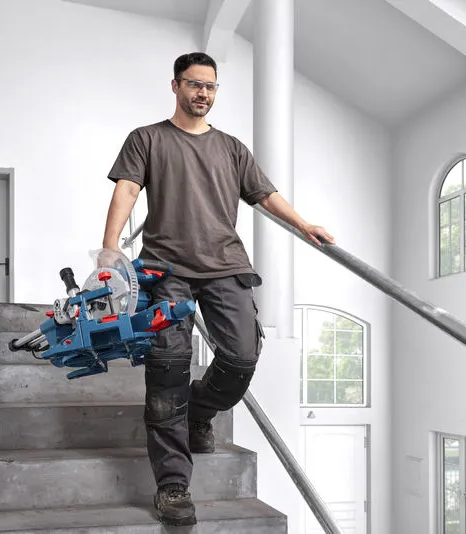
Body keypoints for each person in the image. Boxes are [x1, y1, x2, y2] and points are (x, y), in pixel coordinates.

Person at [101, 52, 335, 527]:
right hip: (165, 270)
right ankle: (172, 486)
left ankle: (200, 409)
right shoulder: (147, 139)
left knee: (242, 357)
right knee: (167, 371)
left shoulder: (231, 148)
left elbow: (264, 194)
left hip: (226, 265)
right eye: (194, 85)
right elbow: (127, 188)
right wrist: (110, 250)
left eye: (210, 86)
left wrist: (303, 223)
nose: (202, 93)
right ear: (175, 86)